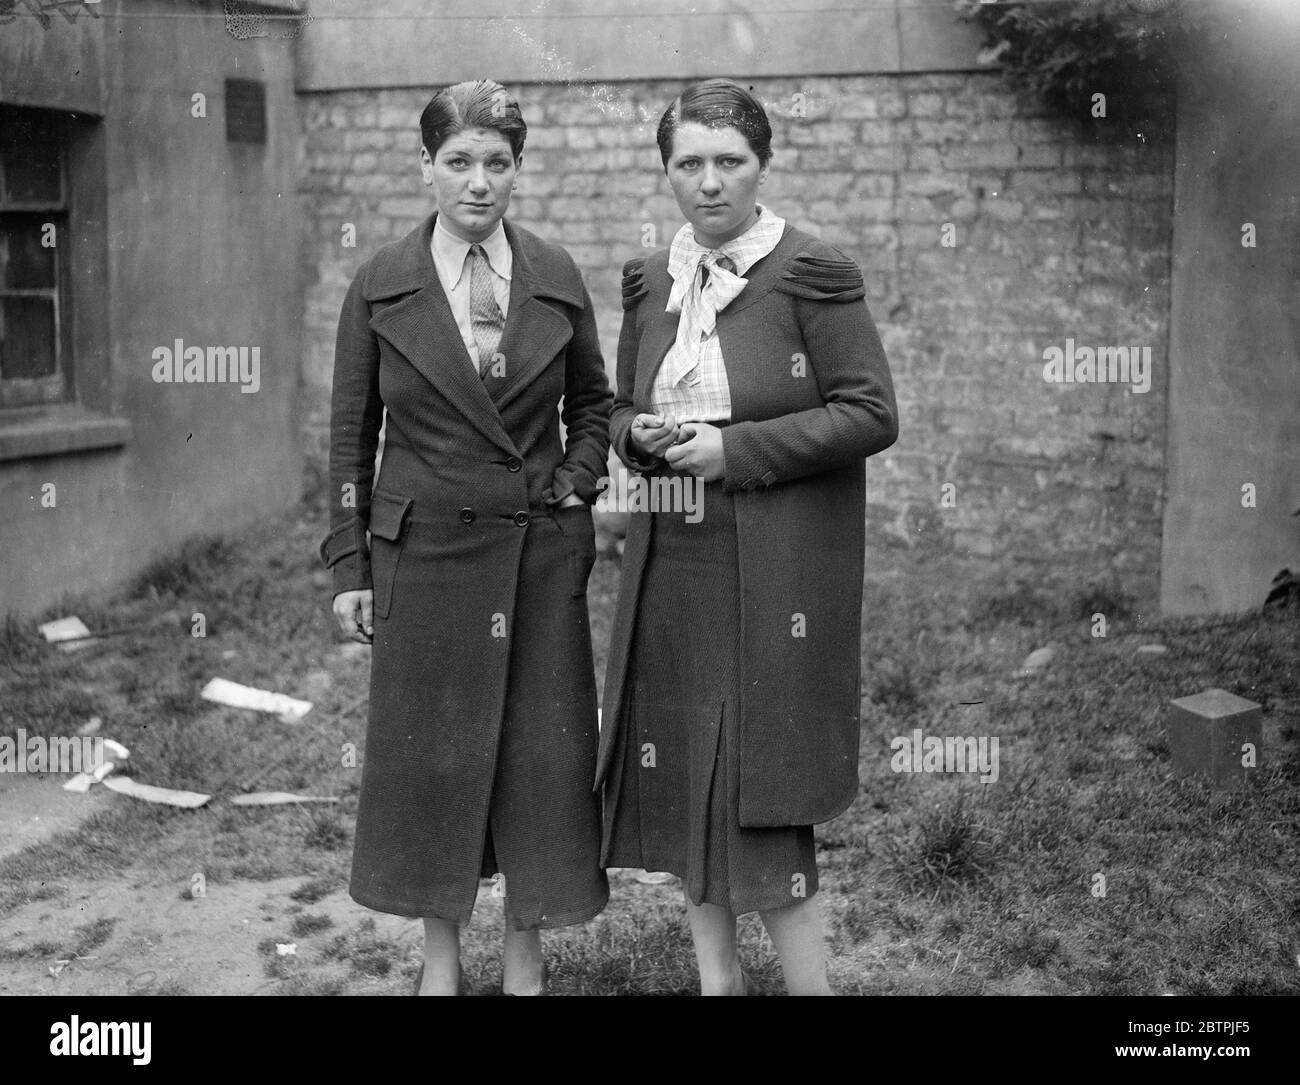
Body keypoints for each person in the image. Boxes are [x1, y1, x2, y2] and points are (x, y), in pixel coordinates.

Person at [597, 78, 899, 995]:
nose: (710, 182)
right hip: (668, 564)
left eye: (729, 161)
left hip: (772, 567)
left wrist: (737, 451)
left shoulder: (810, 270)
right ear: (667, 173)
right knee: (691, 773)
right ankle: (717, 983)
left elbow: (871, 413)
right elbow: (617, 404)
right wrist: (635, 436)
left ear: (763, 165)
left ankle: (813, 989)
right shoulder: (653, 279)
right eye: (688, 163)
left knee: (760, 791)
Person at [320, 79, 612, 995]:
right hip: (426, 557)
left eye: (497, 163)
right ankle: (438, 969)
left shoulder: (556, 276)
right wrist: (348, 563)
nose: (477, 183)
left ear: (518, 172)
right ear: (426, 169)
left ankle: (526, 964)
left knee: (539, 759)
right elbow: (348, 433)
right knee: (433, 764)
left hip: (533, 559)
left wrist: (575, 482)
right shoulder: (382, 282)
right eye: (458, 163)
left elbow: (595, 404)